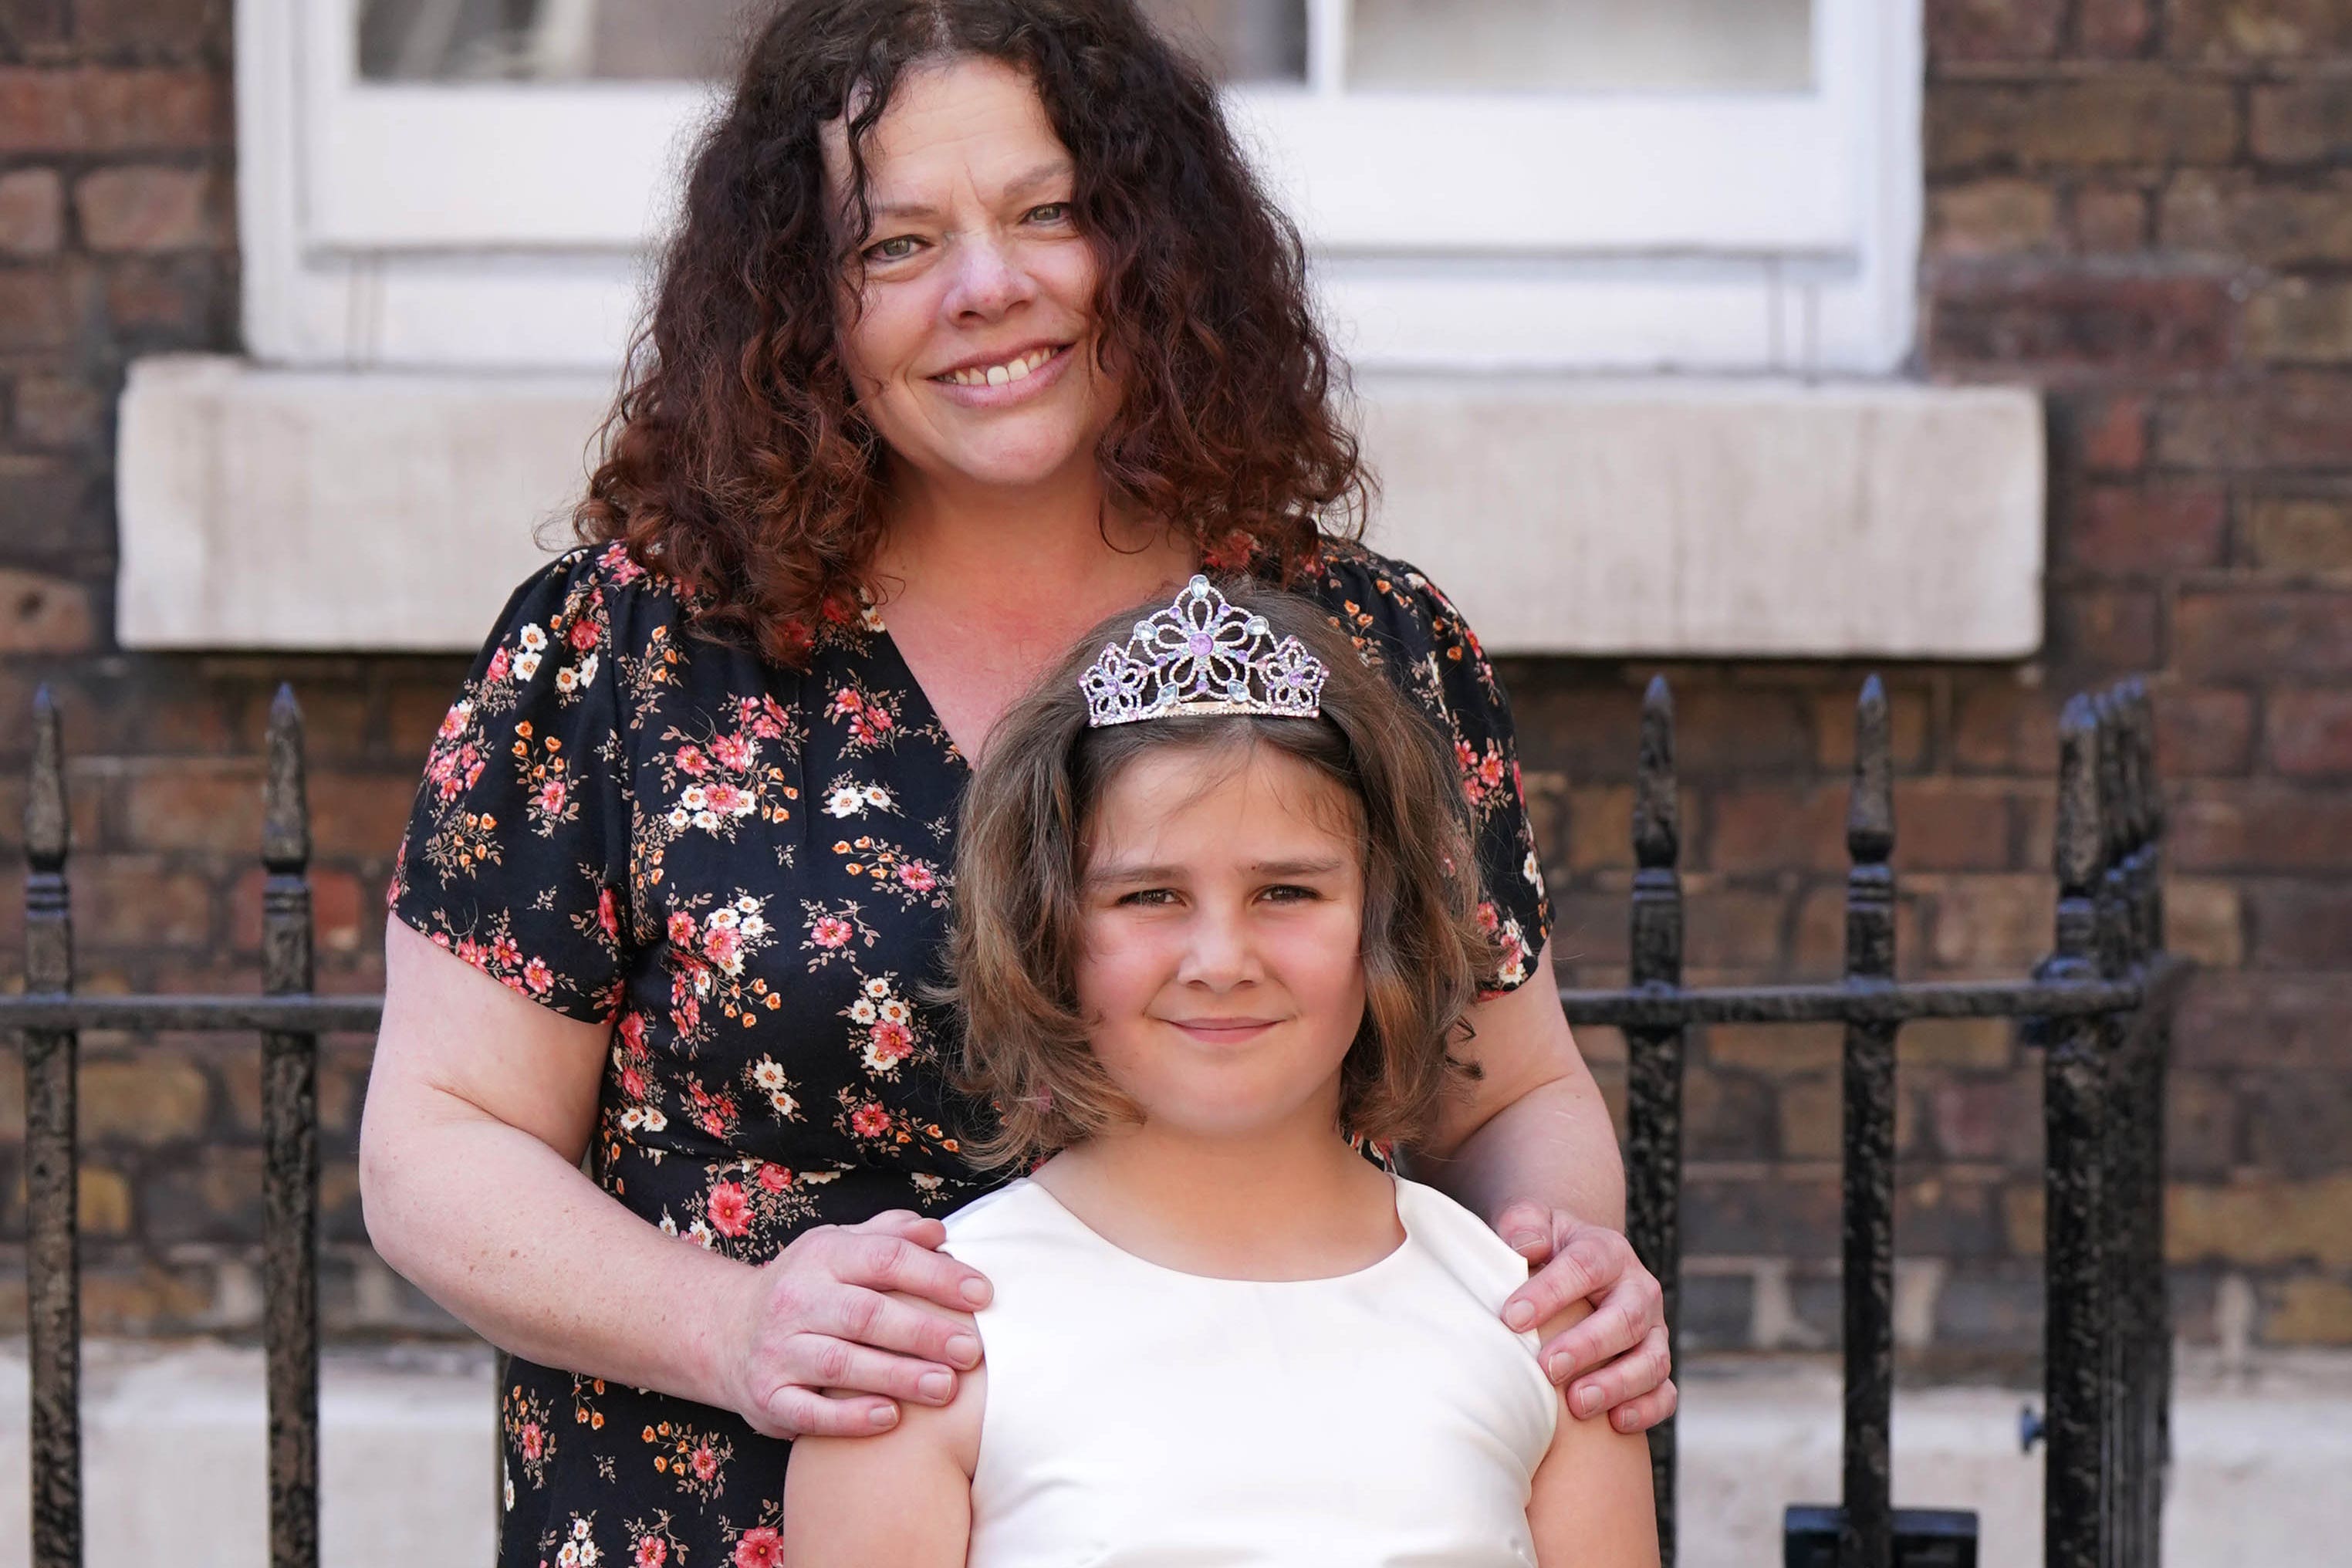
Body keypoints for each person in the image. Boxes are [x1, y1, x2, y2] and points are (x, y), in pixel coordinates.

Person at [359, 3, 1671, 1563]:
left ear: (1155, 243)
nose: (991, 288)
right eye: (897, 244)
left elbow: (1508, 1089)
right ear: (802, 305)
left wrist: (1563, 1272)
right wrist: (736, 1325)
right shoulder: (623, 652)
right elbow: (436, 1139)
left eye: (1050, 212)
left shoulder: (1359, 644)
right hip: (715, 1506)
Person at [780, 580, 1662, 1566]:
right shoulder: (927, 1350)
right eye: (1150, 894)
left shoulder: (1540, 1333)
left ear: (1387, 922)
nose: (1221, 958)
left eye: (1287, 890)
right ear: (1049, 931)